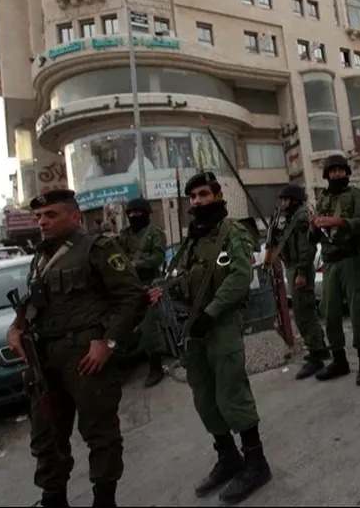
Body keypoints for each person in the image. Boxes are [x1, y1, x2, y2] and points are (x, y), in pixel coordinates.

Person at [5, 189, 146, 508]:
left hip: (85, 356)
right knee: (46, 437)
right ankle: (53, 498)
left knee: (100, 434)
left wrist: (108, 342)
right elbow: (34, 304)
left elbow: (132, 297)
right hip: (45, 360)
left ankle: (104, 500)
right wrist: (16, 328)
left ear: (74, 216)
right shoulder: (40, 257)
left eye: (51, 215)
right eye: (39, 216)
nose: (42, 222)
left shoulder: (97, 248)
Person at [148, 172, 271, 503]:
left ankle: (256, 463)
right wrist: (165, 292)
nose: (198, 201)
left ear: (217, 196)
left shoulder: (234, 232)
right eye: (193, 197)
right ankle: (228, 457)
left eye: (204, 194)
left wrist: (211, 313)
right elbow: (183, 276)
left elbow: (241, 276)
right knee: (203, 395)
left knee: (231, 391)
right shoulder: (192, 239)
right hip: (194, 328)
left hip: (221, 324)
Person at [309, 154, 360, 385]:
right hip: (329, 262)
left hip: (351, 259)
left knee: (357, 312)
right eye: (332, 171)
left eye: (340, 170)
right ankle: (339, 360)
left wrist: (338, 222)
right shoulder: (322, 198)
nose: (337, 174)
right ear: (326, 175)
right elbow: (314, 237)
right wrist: (314, 225)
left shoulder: (356, 195)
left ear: (347, 172)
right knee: (330, 312)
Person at [270, 183, 329, 379]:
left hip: (299, 267)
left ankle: (316, 356)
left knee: (303, 313)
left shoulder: (302, 217)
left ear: (294, 200)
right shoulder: (292, 216)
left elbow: (307, 248)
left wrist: (302, 273)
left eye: (286, 200)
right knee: (307, 310)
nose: (283, 203)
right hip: (293, 266)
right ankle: (320, 347)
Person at [117, 197, 168, 388]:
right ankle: (125, 367)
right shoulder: (124, 236)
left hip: (149, 284)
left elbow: (158, 257)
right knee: (121, 327)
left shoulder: (155, 234)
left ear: (146, 214)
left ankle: (156, 367)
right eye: (130, 214)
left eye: (137, 213)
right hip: (128, 287)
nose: (133, 216)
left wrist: (136, 264)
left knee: (149, 327)